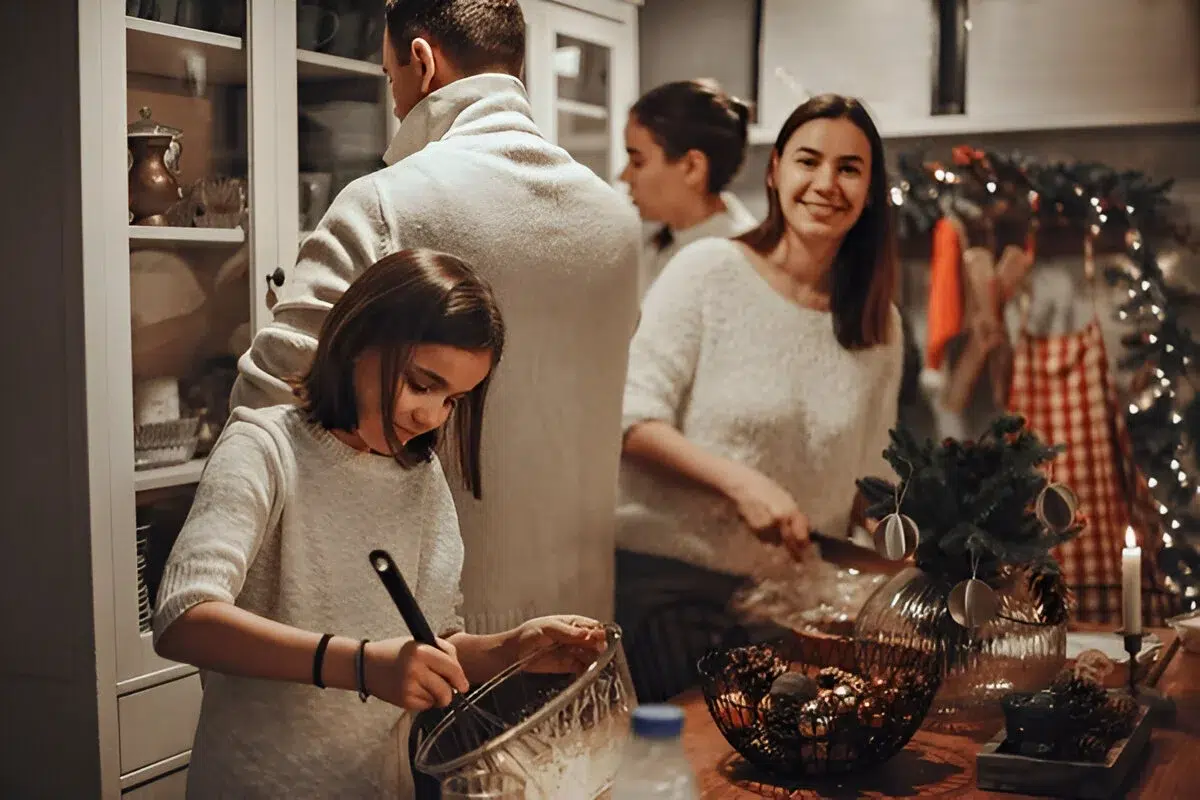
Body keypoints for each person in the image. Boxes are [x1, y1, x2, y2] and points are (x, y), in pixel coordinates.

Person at [230, 0, 640, 635]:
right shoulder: (617, 223)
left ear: (422, 61)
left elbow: (264, 404)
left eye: (390, 76)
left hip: (425, 633)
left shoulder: (387, 203)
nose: (395, 100)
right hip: (580, 621)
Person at [154, 249, 606, 798]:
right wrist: (362, 665)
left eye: (453, 400)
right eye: (420, 384)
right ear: (356, 343)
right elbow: (184, 618)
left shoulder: (420, 476)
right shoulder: (266, 448)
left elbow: (429, 645)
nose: (431, 416)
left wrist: (513, 650)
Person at [614, 94, 904, 702]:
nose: (826, 183)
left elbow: (871, 486)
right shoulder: (709, 271)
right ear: (775, 171)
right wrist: (742, 483)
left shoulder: (879, 326)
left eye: (850, 168)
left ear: (872, 190)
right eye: (809, 160)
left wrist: (926, 553)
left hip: (791, 607)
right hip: (671, 594)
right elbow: (630, 420)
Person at [620, 79, 758, 295]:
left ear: (692, 167)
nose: (624, 176)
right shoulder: (656, 243)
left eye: (638, 162)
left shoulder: (742, 264)